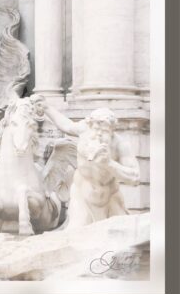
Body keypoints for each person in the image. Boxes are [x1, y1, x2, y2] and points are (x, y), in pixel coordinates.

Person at [32, 95, 140, 227]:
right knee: (78, 235)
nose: (99, 134)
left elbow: (135, 177)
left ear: (112, 130)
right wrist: (46, 107)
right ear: (90, 125)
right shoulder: (84, 130)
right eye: (96, 129)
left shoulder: (120, 144)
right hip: (82, 196)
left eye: (104, 130)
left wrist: (110, 164)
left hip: (111, 197)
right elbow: (66, 125)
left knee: (122, 237)